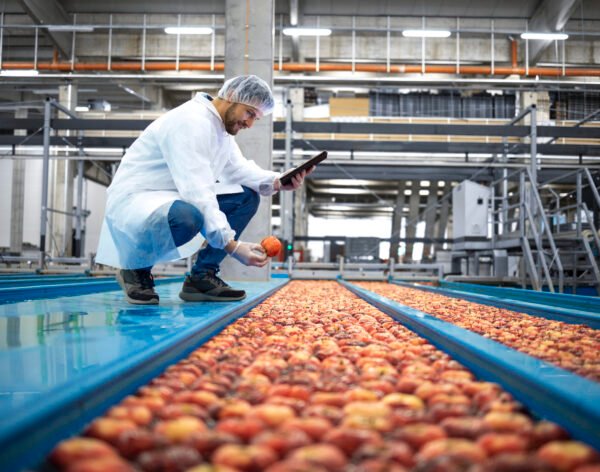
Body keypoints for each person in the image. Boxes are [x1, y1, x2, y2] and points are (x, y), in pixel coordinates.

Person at [96, 75, 309, 305]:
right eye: (249, 113)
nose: (249, 124)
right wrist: (233, 246)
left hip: (174, 196)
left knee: (246, 197)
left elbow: (238, 170)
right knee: (188, 217)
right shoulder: (191, 121)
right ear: (232, 97)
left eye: (255, 118)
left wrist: (278, 181)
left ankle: (201, 277)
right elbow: (197, 191)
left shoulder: (219, 130)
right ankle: (134, 267)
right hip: (139, 200)